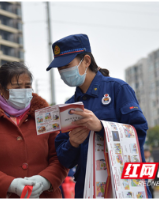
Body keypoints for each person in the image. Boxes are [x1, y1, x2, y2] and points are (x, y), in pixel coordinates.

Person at [46, 34, 152, 199]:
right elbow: (65, 161)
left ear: (87, 61)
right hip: (87, 191)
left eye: (67, 65)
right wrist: (72, 143)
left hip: (125, 188)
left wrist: (103, 127)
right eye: (59, 69)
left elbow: (139, 133)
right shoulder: (69, 107)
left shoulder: (118, 89)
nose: (63, 72)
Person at [0, 62, 68, 199]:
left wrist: (44, 181)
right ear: (1, 88)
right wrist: (11, 185)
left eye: (27, 86)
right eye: (17, 87)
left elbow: (59, 158)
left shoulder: (45, 115)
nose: (24, 91)